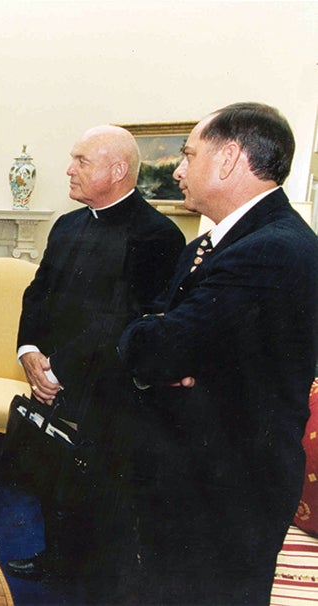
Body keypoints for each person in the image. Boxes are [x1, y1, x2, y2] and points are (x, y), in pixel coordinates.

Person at [119, 102, 318, 604]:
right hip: (198, 476)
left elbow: (155, 351)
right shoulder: (213, 243)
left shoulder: (271, 249)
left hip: (228, 490)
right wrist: (163, 341)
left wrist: (159, 343)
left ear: (229, 159)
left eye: (188, 154)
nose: (179, 170)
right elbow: (163, 336)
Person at [1, 125, 185, 602]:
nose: (68, 169)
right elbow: (37, 293)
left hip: (109, 388)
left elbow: (124, 319)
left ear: (117, 170)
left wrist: (56, 368)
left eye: (81, 160)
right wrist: (29, 353)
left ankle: (92, 578)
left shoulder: (157, 235)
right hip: (50, 375)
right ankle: (56, 557)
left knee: (101, 488)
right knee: (51, 468)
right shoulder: (67, 224)